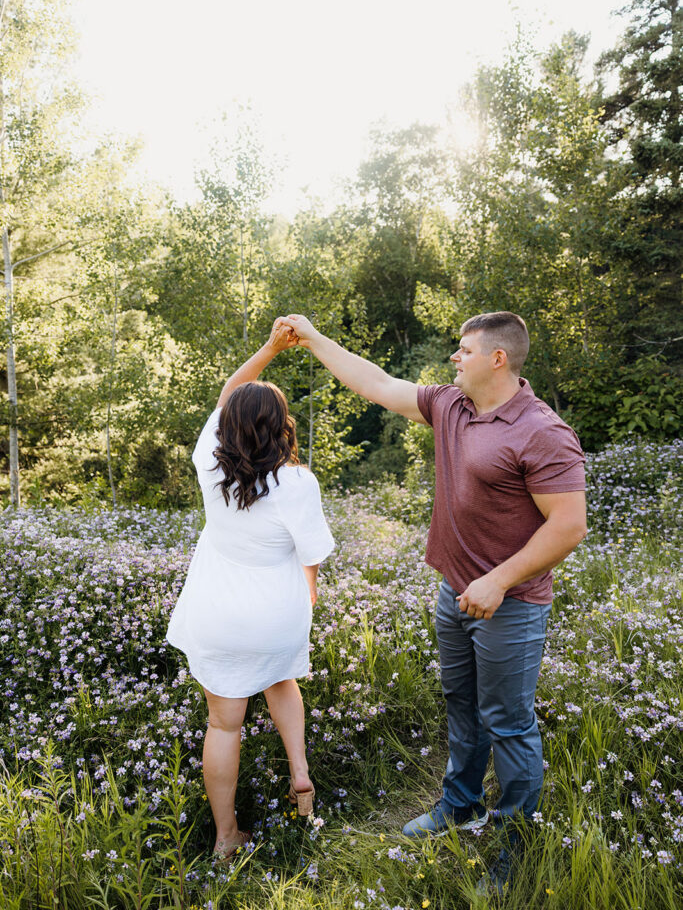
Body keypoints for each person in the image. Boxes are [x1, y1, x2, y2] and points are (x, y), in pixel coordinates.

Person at [278, 310, 586, 894]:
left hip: (511, 604)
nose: (454, 358)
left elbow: (569, 525)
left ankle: (515, 842)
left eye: (464, 350)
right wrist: (313, 339)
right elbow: (375, 382)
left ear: (497, 358)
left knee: (509, 723)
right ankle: (460, 805)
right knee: (462, 705)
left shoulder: (541, 430)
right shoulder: (451, 405)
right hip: (455, 591)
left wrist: (498, 581)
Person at [166, 321, 335, 860]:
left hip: (217, 613)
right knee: (282, 679)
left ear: (229, 426)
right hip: (277, 613)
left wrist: (269, 348)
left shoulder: (209, 465)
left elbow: (227, 394)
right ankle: (300, 774)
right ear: (282, 426)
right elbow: (311, 556)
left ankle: (226, 837)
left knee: (224, 724)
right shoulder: (298, 482)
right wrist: (308, 594)